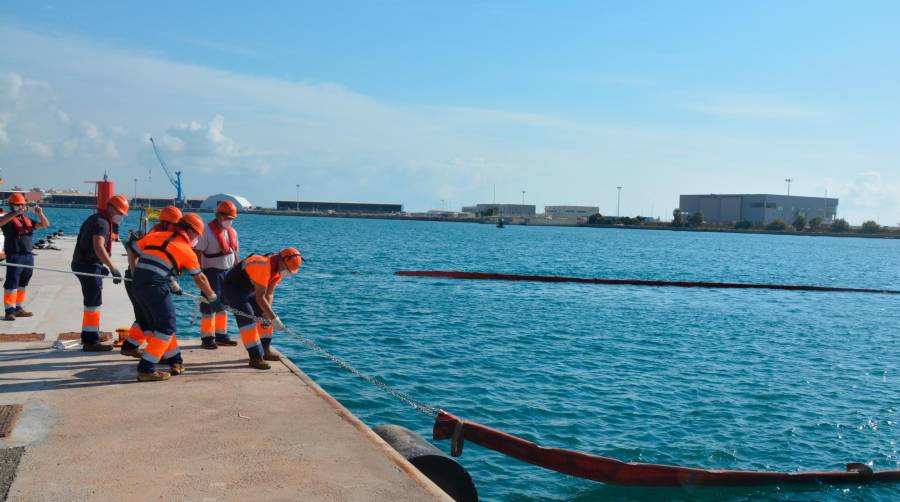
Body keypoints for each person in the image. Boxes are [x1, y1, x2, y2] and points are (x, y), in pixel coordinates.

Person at [131, 213, 218, 381]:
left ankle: (175, 360)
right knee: (167, 327)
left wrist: (139, 273)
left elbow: (134, 251)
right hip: (155, 288)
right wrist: (213, 297)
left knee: (160, 326)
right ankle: (146, 368)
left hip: (138, 286)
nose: (197, 239)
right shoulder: (186, 250)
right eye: (197, 235)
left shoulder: (155, 235)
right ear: (191, 232)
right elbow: (200, 278)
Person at [222, 247, 302, 369]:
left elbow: (268, 293)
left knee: (266, 315)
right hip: (233, 289)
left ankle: (265, 350)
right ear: (281, 262)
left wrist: (269, 314)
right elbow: (260, 298)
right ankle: (255, 358)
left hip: (248, 290)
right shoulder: (263, 265)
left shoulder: (277, 270)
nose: (288, 272)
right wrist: (274, 318)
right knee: (247, 319)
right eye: (288, 269)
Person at [120, 205, 182, 357]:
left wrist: (172, 282)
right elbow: (132, 254)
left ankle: (129, 346)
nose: (179, 229)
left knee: (143, 316)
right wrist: (136, 276)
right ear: (168, 223)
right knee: (154, 319)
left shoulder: (162, 235)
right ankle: (160, 354)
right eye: (176, 225)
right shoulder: (156, 236)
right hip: (140, 281)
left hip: (144, 280)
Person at [70, 194, 129, 350]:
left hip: (86, 264)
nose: (121, 216)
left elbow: (92, 247)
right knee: (93, 302)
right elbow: (98, 246)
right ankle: (90, 341)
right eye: (121, 213)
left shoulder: (97, 219)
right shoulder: (102, 223)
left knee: (93, 301)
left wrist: (100, 266)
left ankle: (91, 333)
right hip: (86, 266)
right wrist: (112, 267)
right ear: (112, 208)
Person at [193, 200, 240, 349]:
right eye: (227, 218)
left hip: (227, 273)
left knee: (224, 305)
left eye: (232, 219)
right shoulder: (205, 231)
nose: (229, 222)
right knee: (209, 306)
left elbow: (235, 252)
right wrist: (198, 273)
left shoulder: (233, 232)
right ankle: (207, 338)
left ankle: (221, 335)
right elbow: (198, 252)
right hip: (210, 273)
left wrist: (237, 270)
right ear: (219, 215)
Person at [0, 194, 50, 321]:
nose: (20, 207)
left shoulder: (27, 220)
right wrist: (15, 214)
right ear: (11, 206)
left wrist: (40, 213)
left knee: (23, 283)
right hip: (15, 255)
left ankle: (18, 308)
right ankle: (9, 310)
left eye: (22, 205)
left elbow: (45, 224)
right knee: (11, 283)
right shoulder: (8, 219)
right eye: (17, 205)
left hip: (28, 255)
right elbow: (1, 222)